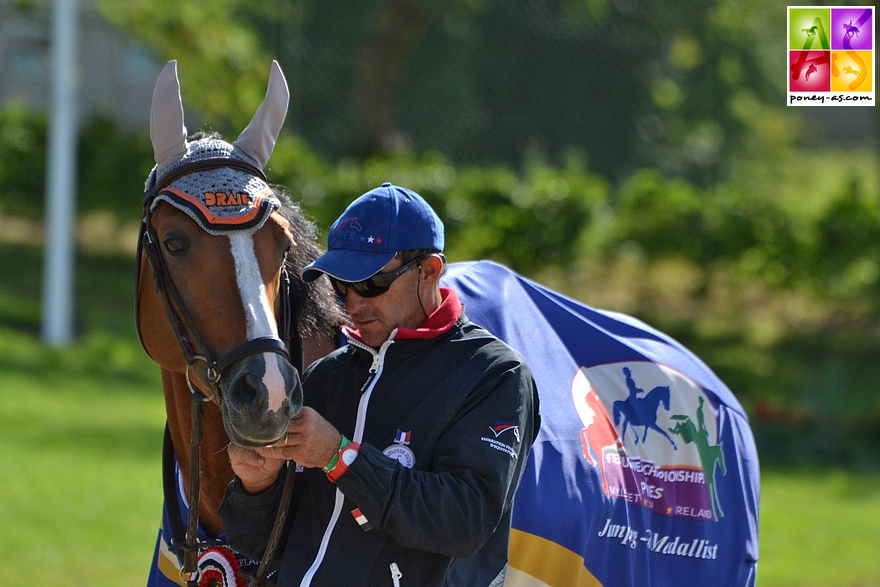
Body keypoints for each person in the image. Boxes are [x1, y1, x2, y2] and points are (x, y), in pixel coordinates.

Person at [220, 182, 540, 587]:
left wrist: (342, 459)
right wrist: (257, 487)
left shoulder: (495, 375)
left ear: (430, 271)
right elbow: (262, 545)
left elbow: (465, 522)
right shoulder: (327, 375)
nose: (354, 303)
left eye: (370, 283)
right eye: (341, 285)